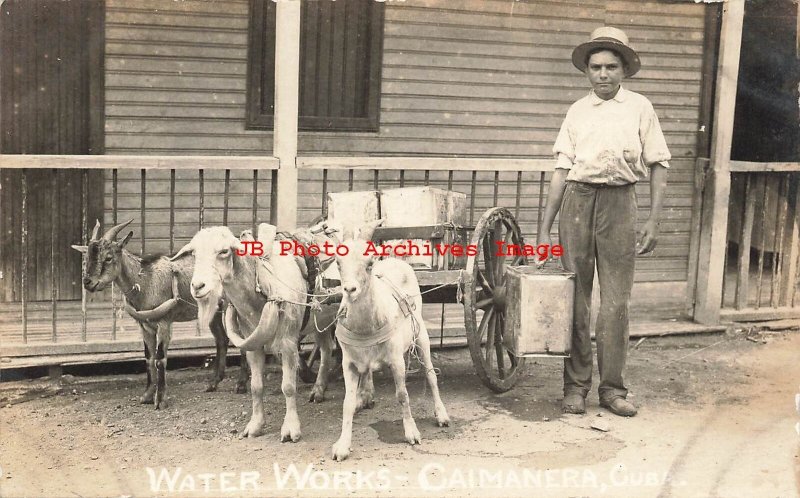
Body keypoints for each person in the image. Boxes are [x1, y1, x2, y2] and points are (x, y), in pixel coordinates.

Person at [537, 27, 670, 417]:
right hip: (578, 202)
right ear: (587, 71)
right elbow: (562, 169)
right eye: (596, 67)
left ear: (624, 69)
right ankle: (575, 386)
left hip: (620, 204)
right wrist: (545, 227)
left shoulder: (640, 108)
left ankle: (612, 389)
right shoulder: (577, 111)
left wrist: (653, 221)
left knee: (615, 302)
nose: (603, 74)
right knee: (576, 297)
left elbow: (659, 164)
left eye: (611, 66)